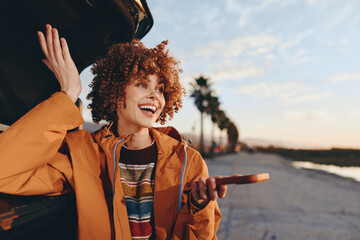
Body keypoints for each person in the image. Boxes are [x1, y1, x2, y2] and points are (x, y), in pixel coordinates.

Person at [0, 24, 227, 239]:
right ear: (116, 92)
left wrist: (199, 207)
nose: (154, 96)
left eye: (160, 89)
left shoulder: (188, 161)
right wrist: (69, 93)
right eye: (142, 84)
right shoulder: (83, 155)